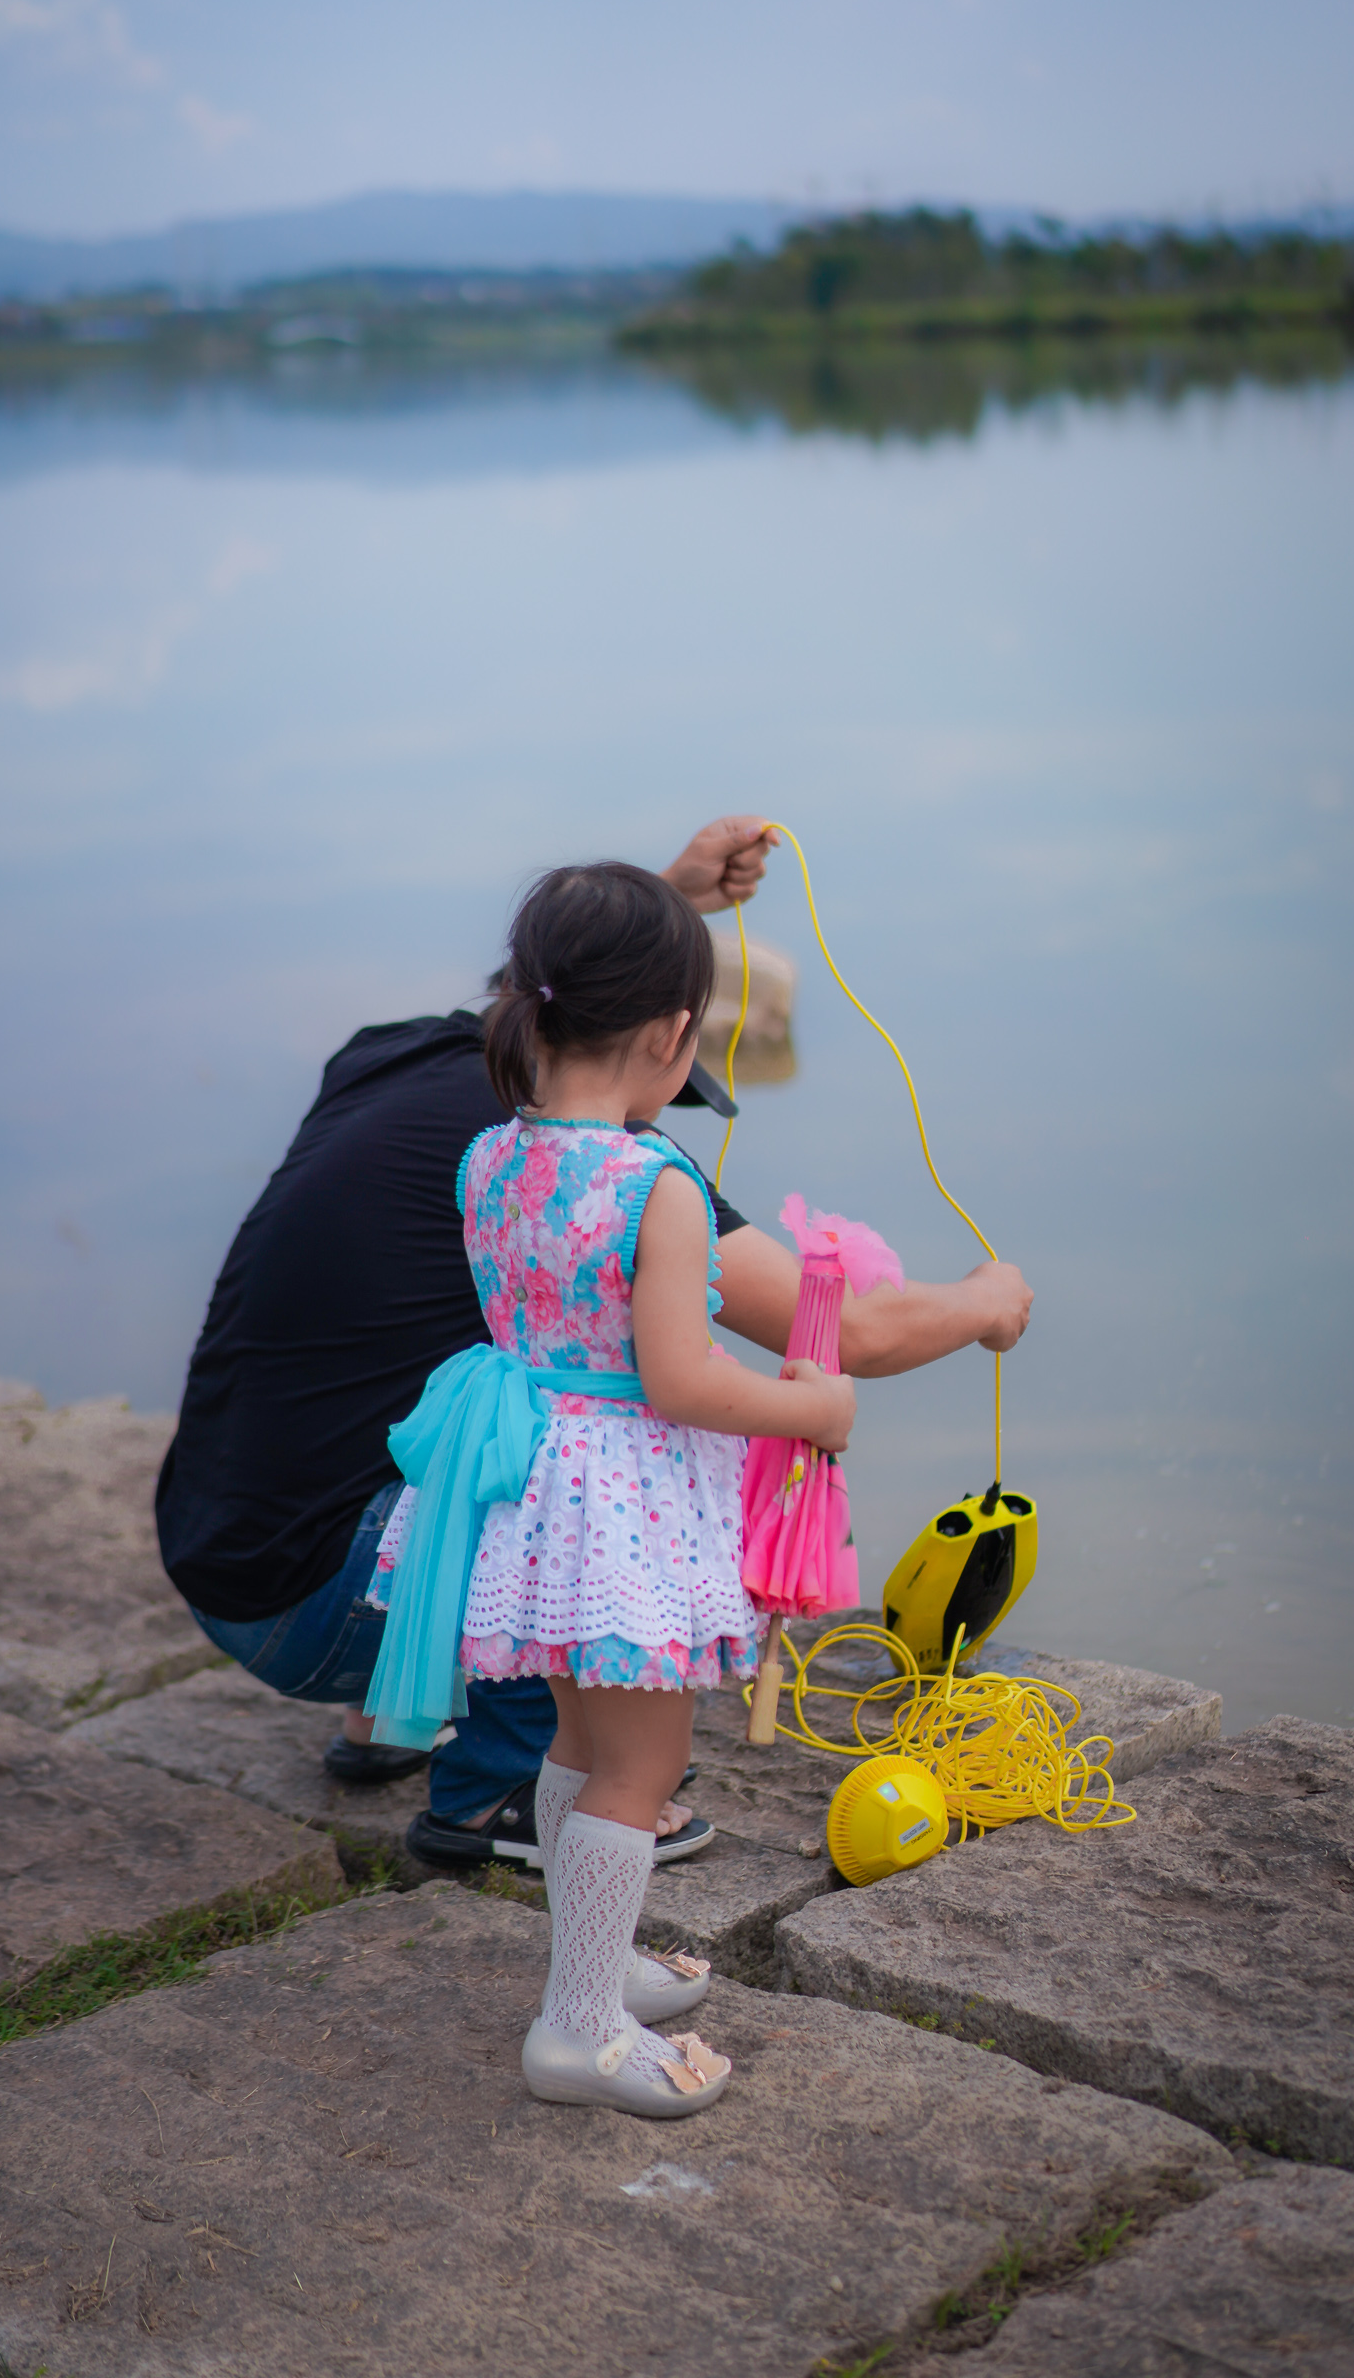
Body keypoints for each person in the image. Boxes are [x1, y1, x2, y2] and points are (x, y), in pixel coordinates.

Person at [154, 817, 1032, 1874]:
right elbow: (840, 1330)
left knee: (495, 1401)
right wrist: (986, 1303)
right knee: (592, 1507)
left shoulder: (403, 1069)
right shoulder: (623, 1171)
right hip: (323, 1605)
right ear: (668, 1042)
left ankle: (391, 1714)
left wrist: (664, 899)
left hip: (222, 1555)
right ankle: (497, 1794)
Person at [365, 861, 863, 2115]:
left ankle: (596, 1966)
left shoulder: (491, 1154)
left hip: (530, 1481)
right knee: (639, 1773)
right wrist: (814, 1404)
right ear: (673, 1035)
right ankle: (577, 2028)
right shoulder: (659, 1185)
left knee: (582, 1749)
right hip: (618, 1505)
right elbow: (683, 1380)